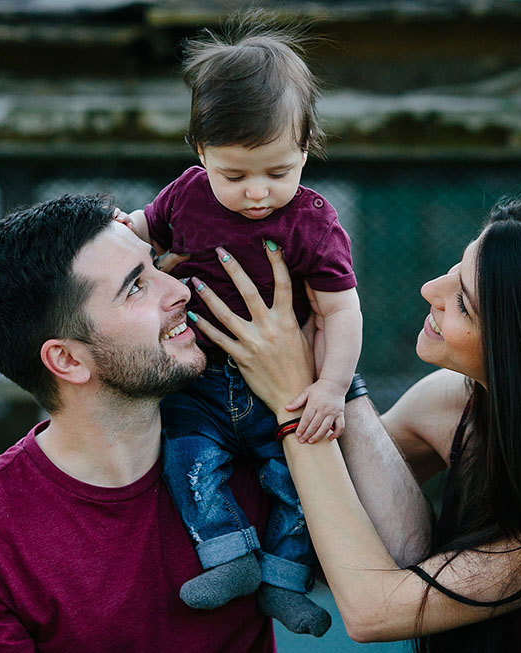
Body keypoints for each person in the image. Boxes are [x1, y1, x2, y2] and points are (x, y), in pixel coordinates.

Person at [190, 195, 521, 652]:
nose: (429, 290)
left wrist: (292, 400)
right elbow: (363, 528)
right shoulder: (448, 406)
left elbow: (375, 608)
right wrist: (332, 378)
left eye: (462, 302)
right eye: (454, 269)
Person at [0, 194, 429, 651]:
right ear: (68, 360)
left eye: (155, 263)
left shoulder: (248, 437)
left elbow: (408, 553)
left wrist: (325, 371)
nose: (179, 288)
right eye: (135, 287)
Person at [116, 18, 361, 636]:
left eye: (279, 172)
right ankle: (226, 557)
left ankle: (284, 579)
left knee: (295, 486)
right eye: (235, 175)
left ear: (306, 148)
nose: (258, 193)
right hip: (200, 380)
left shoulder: (313, 223)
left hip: (282, 386)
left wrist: (331, 388)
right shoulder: (189, 196)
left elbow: (341, 311)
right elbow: (144, 228)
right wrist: (121, 231)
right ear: (201, 155)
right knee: (187, 463)